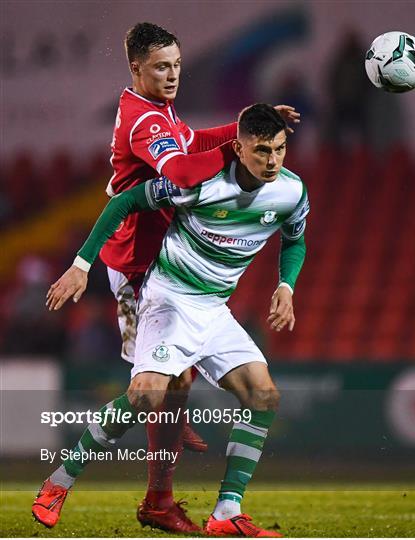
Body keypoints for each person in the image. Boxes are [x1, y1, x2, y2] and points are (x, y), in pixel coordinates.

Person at [31, 22, 300, 533]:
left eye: (177, 64)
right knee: (153, 395)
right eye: (161, 67)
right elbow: (178, 172)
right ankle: (69, 479)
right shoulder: (143, 122)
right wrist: (244, 147)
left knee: (171, 392)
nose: (173, 74)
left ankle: (170, 488)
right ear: (136, 68)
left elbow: (193, 141)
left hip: (167, 265)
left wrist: (244, 130)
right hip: (138, 268)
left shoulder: (162, 113)